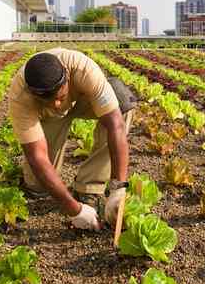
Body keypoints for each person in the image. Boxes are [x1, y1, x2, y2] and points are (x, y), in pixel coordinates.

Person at [8, 48, 137, 231]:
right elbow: (37, 156)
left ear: (67, 77)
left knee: (123, 102)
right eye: (49, 100)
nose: (57, 105)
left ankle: (89, 187)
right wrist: (74, 210)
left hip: (82, 100)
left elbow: (115, 125)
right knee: (37, 186)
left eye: (60, 97)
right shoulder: (21, 97)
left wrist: (119, 187)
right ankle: (39, 185)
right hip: (47, 116)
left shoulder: (84, 70)